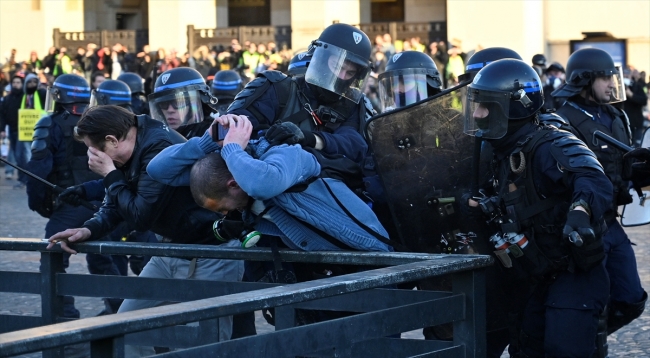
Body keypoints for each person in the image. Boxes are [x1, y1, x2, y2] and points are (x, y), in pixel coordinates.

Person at [46, 105, 244, 356]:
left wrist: (109, 173)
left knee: (206, 344)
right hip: (168, 252)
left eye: (95, 150)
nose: (92, 157)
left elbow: (139, 215)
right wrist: (88, 229)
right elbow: (117, 203)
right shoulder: (131, 147)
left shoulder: (156, 145)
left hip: (211, 255)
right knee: (125, 327)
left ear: (112, 140)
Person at [464, 58, 612, 357]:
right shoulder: (500, 150)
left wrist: (580, 210)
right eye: (476, 105)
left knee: (563, 349)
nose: (478, 114)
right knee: (525, 348)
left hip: (573, 272)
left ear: (514, 107)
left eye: (486, 106)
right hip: (535, 272)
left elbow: (591, 177)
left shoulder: (549, 143)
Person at [147, 114, 392, 253]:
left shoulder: (284, 156)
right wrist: (206, 142)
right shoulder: (224, 170)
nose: (225, 214)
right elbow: (157, 170)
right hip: (331, 270)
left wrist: (232, 146)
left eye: (221, 207)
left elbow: (262, 184)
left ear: (234, 184)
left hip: (373, 255)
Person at [552, 48, 647, 336]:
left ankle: (593, 337)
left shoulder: (615, 115)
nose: (611, 83)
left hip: (612, 222)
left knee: (631, 298)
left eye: (611, 77)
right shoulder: (562, 119)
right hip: (583, 225)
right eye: (604, 77)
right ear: (584, 80)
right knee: (590, 303)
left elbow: (624, 169)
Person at [227, 23, 376, 165]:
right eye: (337, 66)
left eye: (350, 72)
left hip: (329, 183)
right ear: (320, 59)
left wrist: (311, 139)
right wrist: (272, 137)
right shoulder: (278, 88)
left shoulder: (353, 103)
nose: (342, 76)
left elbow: (356, 145)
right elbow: (230, 128)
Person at [25, 74, 101, 320]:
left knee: (52, 259)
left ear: (58, 97)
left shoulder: (50, 123)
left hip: (70, 205)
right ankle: (120, 314)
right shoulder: (103, 122)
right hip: (106, 203)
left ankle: (64, 318)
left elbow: (37, 171)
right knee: (106, 262)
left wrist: (40, 205)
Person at [377, 50, 442, 112]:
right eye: (394, 83)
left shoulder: (447, 118)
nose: (397, 89)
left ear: (429, 86)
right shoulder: (388, 121)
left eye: (405, 82)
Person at [623, 68, 649, 145]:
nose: (626, 76)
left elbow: (643, 100)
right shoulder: (617, 88)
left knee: (637, 145)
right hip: (624, 123)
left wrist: (631, 95)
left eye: (628, 75)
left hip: (636, 122)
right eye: (624, 75)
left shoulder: (638, 86)